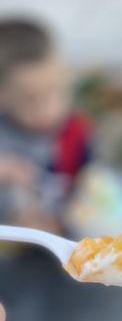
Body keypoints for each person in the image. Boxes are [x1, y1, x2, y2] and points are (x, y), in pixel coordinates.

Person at [0, 18, 92, 232]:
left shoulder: (76, 132)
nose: (49, 109)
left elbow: (96, 184)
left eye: (56, 91)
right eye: (31, 99)